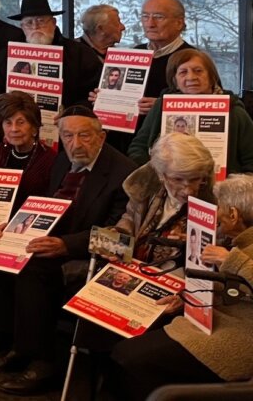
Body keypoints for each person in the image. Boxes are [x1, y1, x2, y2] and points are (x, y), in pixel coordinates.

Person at [0, 106, 136, 395]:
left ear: (101, 137)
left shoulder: (124, 174)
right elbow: (48, 208)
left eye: (84, 136)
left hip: (91, 255)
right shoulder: (63, 161)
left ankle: (43, 362)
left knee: (33, 269)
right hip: (54, 240)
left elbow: (119, 238)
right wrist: (15, 226)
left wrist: (66, 245)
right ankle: (18, 345)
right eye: (67, 136)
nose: (76, 144)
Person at [108, 174, 253, 399]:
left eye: (221, 209)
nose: (217, 216)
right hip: (212, 321)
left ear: (233, 215)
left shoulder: (237, 249)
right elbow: (227, 286)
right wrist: (187, 297)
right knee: (124, 346)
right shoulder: (236, 241)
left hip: (237, 340)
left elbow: (239, 278)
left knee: (127, 357)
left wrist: (230, 260)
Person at [128, 49, 253, 172]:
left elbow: (250, 159)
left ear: (212, 77)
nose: (191, 77)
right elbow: (138, 147)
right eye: (183, 72)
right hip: (167, 187)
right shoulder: (161, 107)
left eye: (198, 71)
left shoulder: (234, 110)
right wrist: (154, 172)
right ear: (175, 81)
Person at [0, 0, 102, 114]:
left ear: (53, 23)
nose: (35, 27)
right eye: (29, 22)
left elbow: (94, 93)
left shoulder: (80, 53)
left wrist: (71, 112)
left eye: (41, 21)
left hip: (68, 128)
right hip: (15, 128)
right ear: (22, 27)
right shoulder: (5, 55)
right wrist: (6, 106)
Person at [116, 132, 215, 270]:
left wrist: (193, 246)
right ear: (160, 175)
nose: (188, 191)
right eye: (177, 179)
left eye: (195, 179)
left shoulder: (214, 204)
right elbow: (130, 219)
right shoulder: (146, 188)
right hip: (136, 267)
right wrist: (116, 241)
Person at [134, 0, 196, 111]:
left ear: (178, 23)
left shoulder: (193, 58)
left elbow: (211, 102)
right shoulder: (136, 52)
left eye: (158, 17)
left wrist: (165, 105)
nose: (150, 24)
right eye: (145, 16)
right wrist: (106, 98)